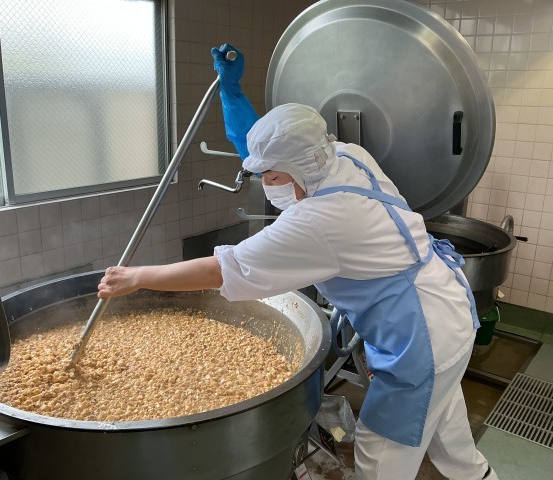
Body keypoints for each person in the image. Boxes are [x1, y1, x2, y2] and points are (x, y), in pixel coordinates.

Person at [97, 45, 499, 480]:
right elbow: (266, 147)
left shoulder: (321, 220)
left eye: (273, 177)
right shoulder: (345, 155)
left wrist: (139, 277)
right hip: (448, 308)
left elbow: (221, 270)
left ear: (303, 166)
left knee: (381, 455)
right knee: (450, 441)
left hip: (421, 338)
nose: (267, 185)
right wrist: (231, 94)